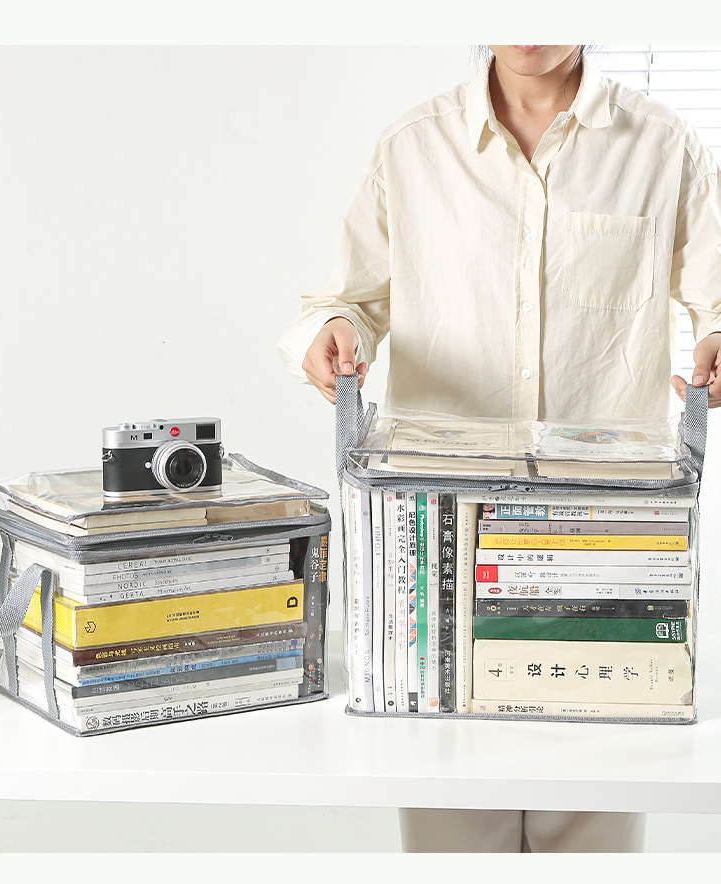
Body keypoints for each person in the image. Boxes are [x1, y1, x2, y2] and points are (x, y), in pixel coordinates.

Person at [278, 45, 721, 852]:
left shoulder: (665, 146)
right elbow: (346, 299)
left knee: (590, 839)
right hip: (436, 543)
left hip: (605, 548)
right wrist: (335, 327)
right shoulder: (412, 146)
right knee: (452, 829)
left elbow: (716, 296)